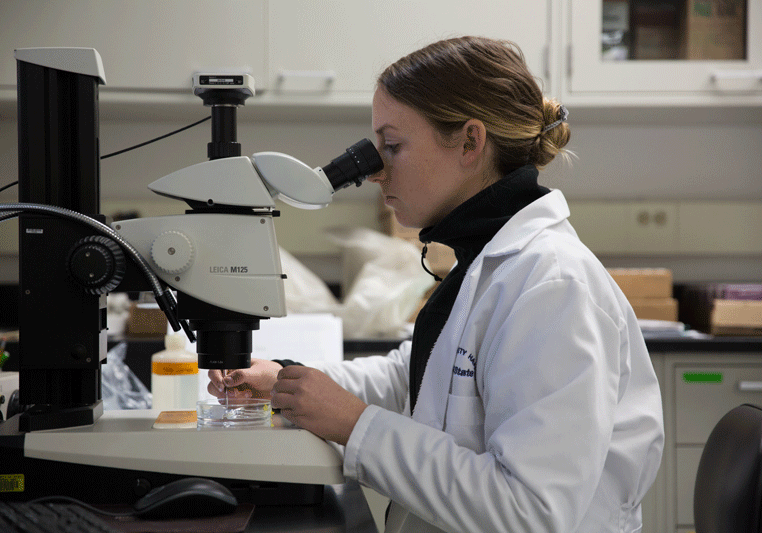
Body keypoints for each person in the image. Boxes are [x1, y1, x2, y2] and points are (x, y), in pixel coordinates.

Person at [208, 36, 664, 533]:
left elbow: (530, 511)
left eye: (393, 146)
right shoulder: (486, 260)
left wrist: (356, 424)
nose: (375, 172)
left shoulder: (554, 287)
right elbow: (421, 380)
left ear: (470, 141)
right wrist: (290, 383)